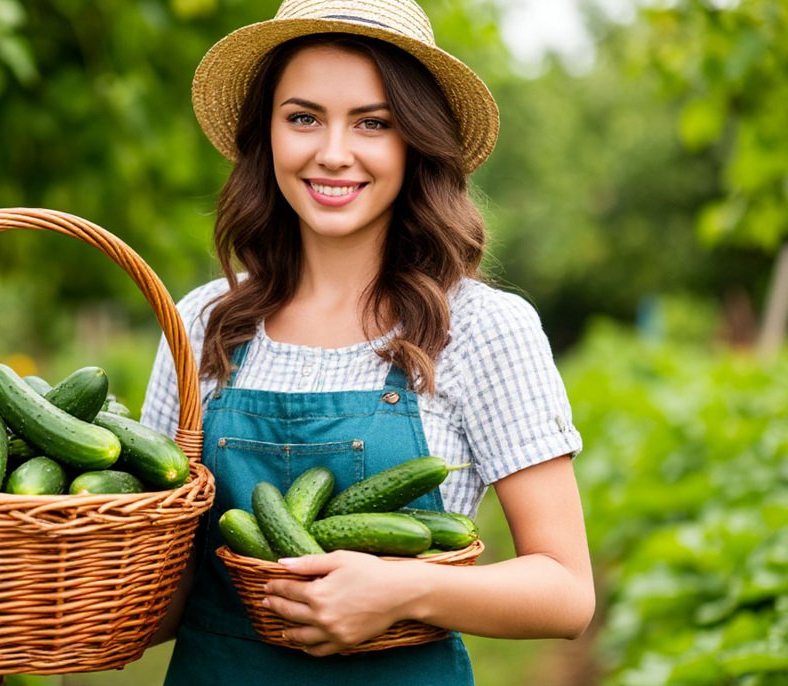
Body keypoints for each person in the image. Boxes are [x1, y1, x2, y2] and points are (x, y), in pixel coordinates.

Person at [138, 0, 595, 683]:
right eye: (303, 117)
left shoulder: (480, 327)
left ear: (416, 140)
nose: (333, 153)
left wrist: (405, 591)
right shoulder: (202, 324)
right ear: (266, 133)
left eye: (373, 123)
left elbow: (566, 593)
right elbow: (163, 593)